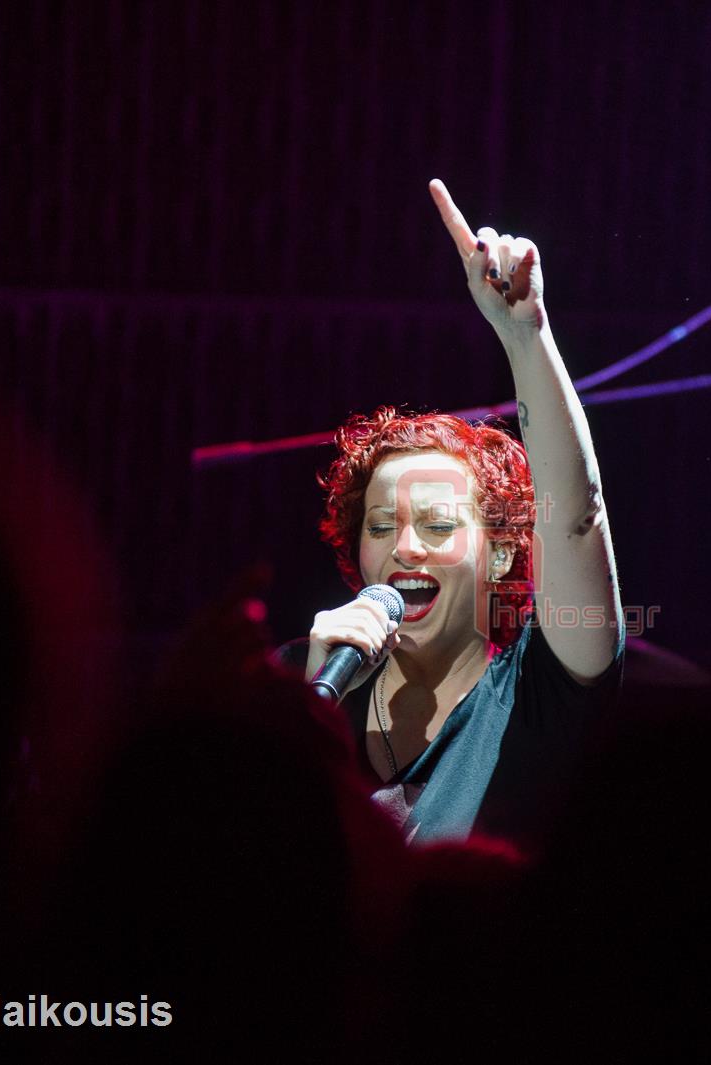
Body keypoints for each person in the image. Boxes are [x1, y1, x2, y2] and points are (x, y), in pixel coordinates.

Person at [299, 179, 624, 846]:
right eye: (381, 526)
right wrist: (302, 719)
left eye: (439, 524)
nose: (405, 548)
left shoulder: (537, 694)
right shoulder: (305, 684)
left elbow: (578, 517)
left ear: (500, 550)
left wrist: (525, 338)